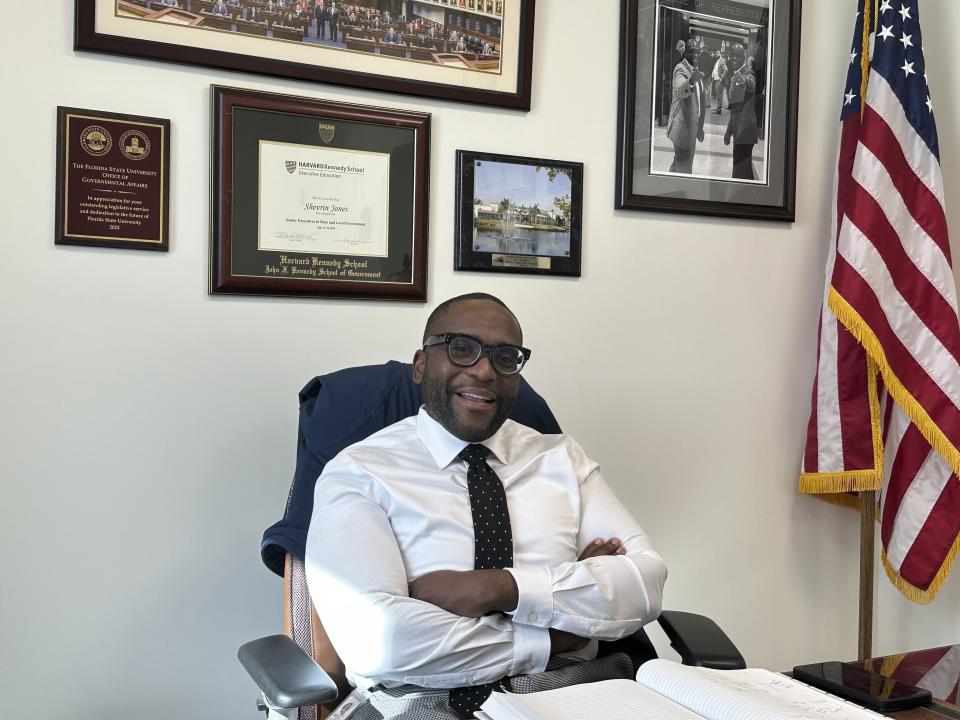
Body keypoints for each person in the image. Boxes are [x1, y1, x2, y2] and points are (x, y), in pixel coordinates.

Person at [305, 293, 667, 720]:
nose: (483, 370)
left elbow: (644, 585)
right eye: (461, 348)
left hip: (576, 690)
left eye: (505, 357)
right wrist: (556, 631)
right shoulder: (360, 472)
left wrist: (497, 588)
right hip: (416, 699)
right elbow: (379, 641)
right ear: (421, 364)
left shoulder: (562, 458)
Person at [665, 38, 706, 174]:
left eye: (698, 52)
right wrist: (692, 81)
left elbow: (700, 100)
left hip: (691, 128)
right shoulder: (680, 68)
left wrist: (700, 128)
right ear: (685, 53)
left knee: (680, 163)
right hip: (682, 130)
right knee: (685, 170)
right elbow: (681, 91)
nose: (695, 55)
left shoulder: (695, 69)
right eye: (692, 52)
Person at [724, 51, 759, 180]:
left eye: (737, 55)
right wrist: (728, 132)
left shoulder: (747, 73)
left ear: (743, 58)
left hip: (745, 131)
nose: (734, 58)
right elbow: (734, 110)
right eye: (732, 55)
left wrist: (742, 79)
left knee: (739, 172)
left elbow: (751, 84)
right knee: (745, 171)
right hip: (741, 132)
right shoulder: (734, 76)